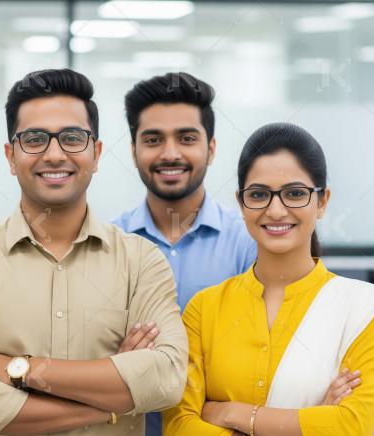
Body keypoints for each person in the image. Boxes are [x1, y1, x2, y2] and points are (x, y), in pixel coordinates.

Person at [0, 68, 188, 436]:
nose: (53, 154)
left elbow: (166, 379)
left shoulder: (142, 261)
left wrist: (20, 369)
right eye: (34, 139)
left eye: (72, 138)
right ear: (10, 156)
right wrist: (109, 396)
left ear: (96, 154)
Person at [163, 122, 374, 435]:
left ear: (322, 202)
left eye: (295, 194)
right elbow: (179, 425)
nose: (276, 210)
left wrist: (231, 412)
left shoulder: (363, 311)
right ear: (242, 204)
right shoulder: (204, 309)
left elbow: (351, 426)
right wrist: (308, 422)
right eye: (258, 195)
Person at [113, 72, 257, 436]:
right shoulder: (106, 245)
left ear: (210, 148)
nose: (170, 153)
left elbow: (259, 362)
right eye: (153, 139)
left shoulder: (249, 243)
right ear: (133, 150)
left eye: (187, 138)